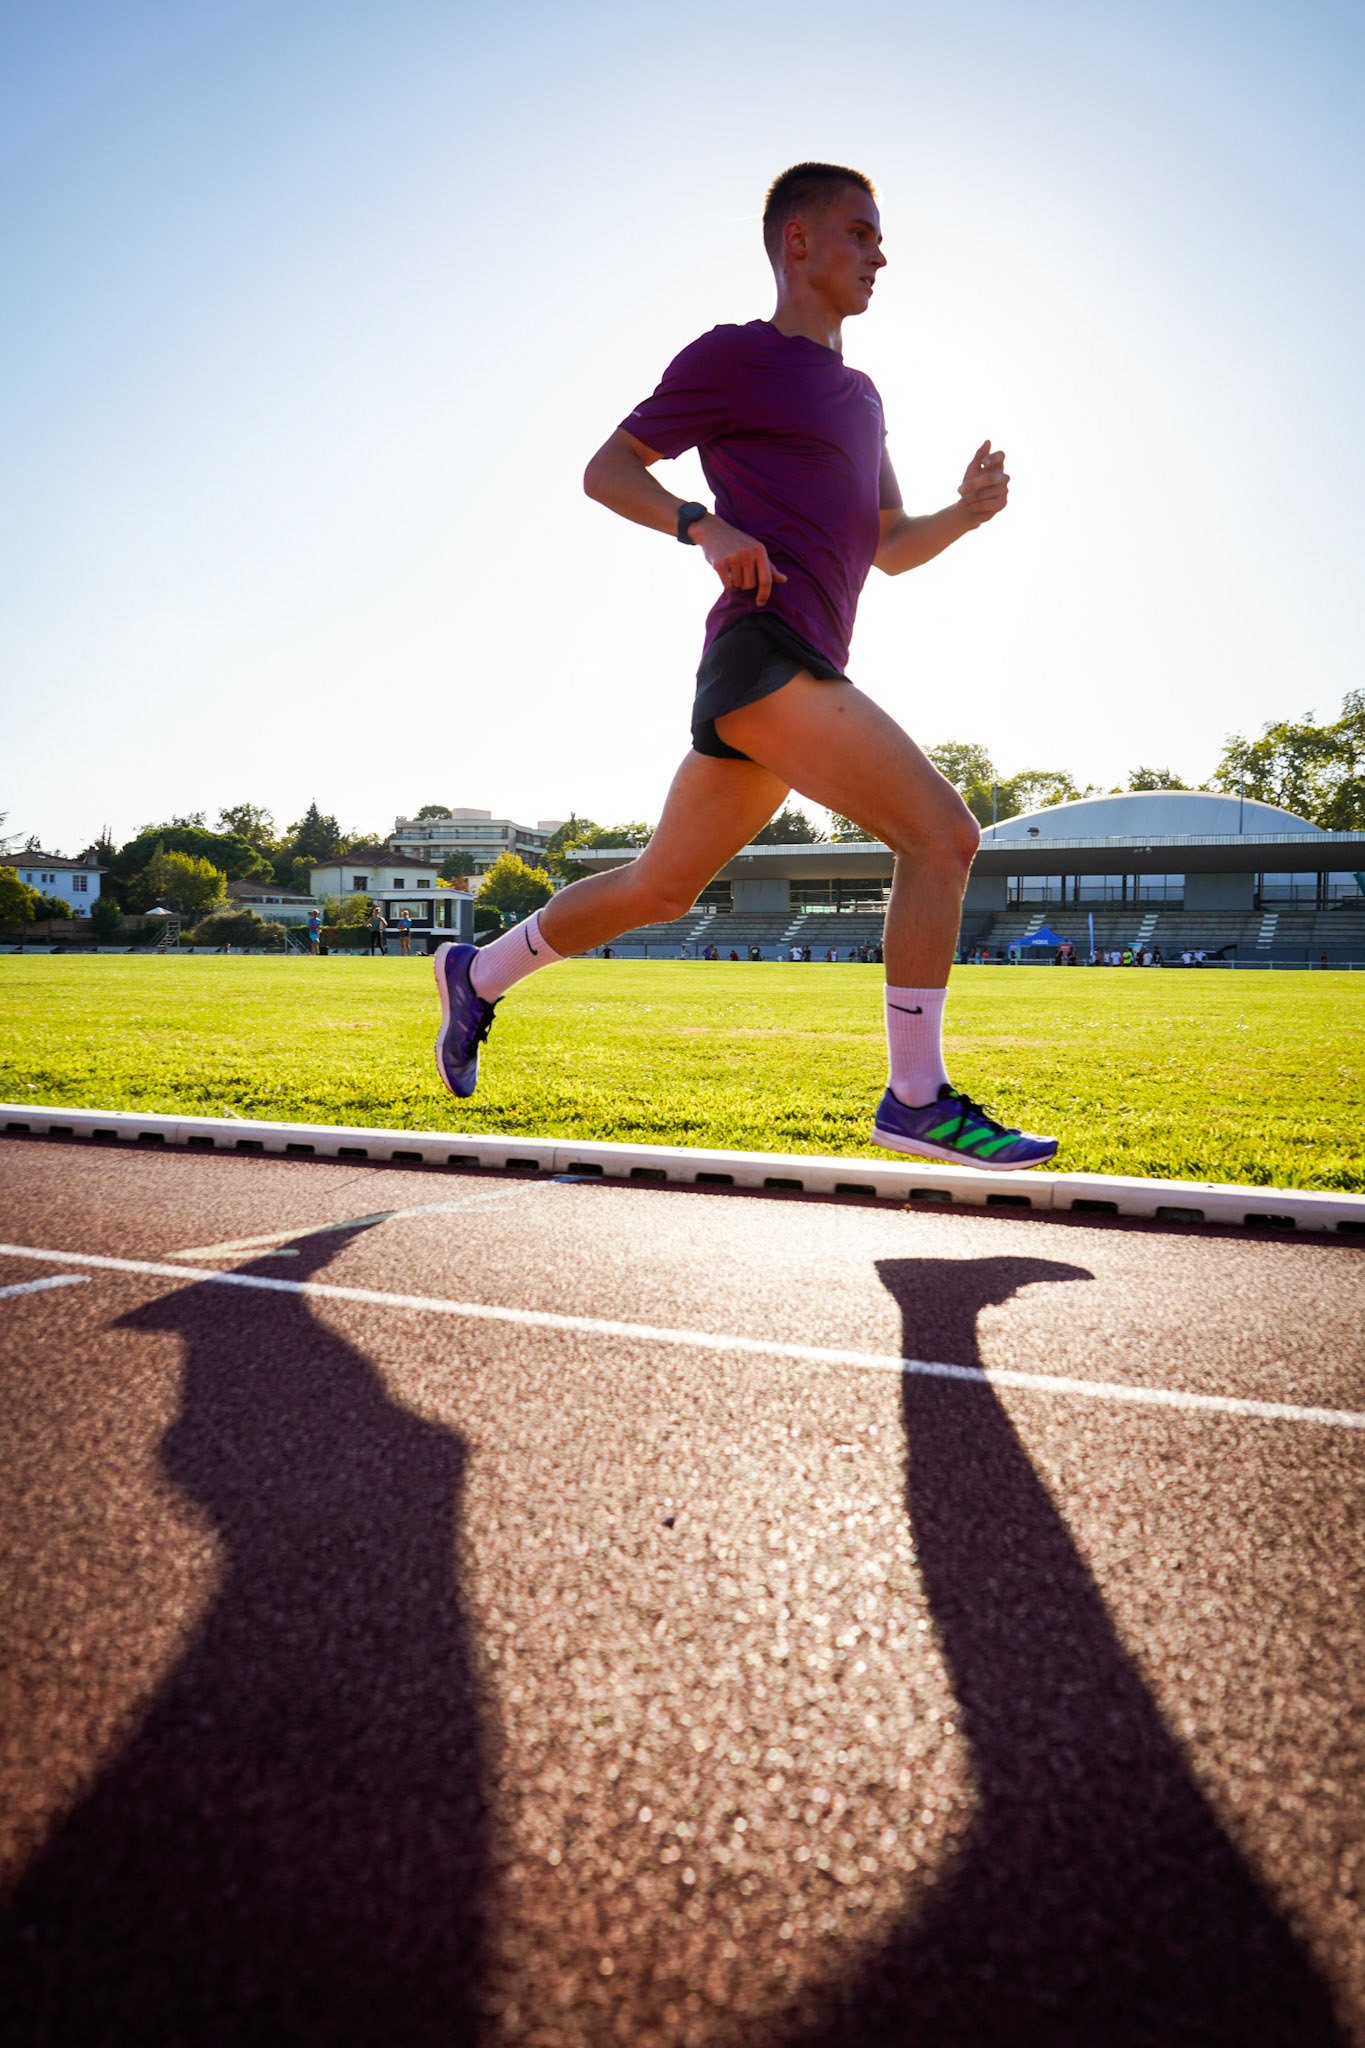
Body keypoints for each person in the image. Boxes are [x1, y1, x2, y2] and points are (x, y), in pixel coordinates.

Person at [431, 162, 1056, 1170]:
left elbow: (891, 546)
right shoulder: (734, 356)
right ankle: (915, 1096)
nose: (880, 254)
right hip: (766, 652)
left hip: (797, 664)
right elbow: (607, 470)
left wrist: (965, 514)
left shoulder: (862, 395)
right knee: (942, 834)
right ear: (797, 241)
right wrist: (702, 523)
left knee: (660, 888)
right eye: (860, 232)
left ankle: (478, 972)